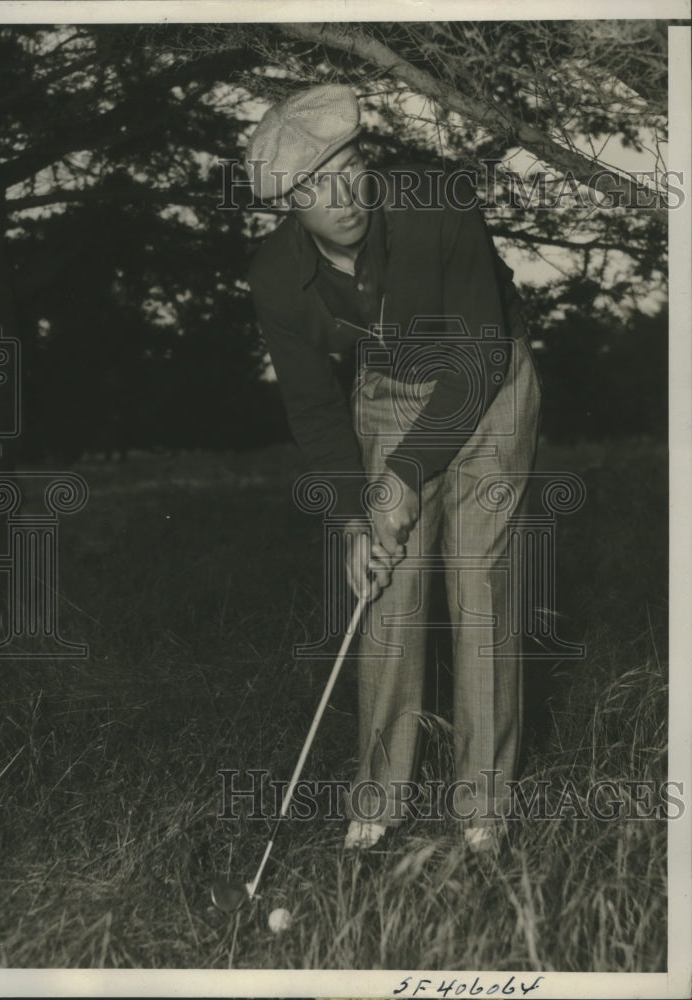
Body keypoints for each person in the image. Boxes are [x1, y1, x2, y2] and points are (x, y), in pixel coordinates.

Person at [244, 84, 541, 854]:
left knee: (476, 582)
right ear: (285, 203)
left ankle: (482, 813)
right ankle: (376, 804)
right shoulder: (276, 279)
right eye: (313, 188)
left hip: (488, 383)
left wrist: (404, 475)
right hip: (387, 389)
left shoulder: (436, 206)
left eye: (349, 171)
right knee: (387, 592)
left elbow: (474, 358)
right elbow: (313, 410)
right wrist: (353, 518)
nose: (341, 199)